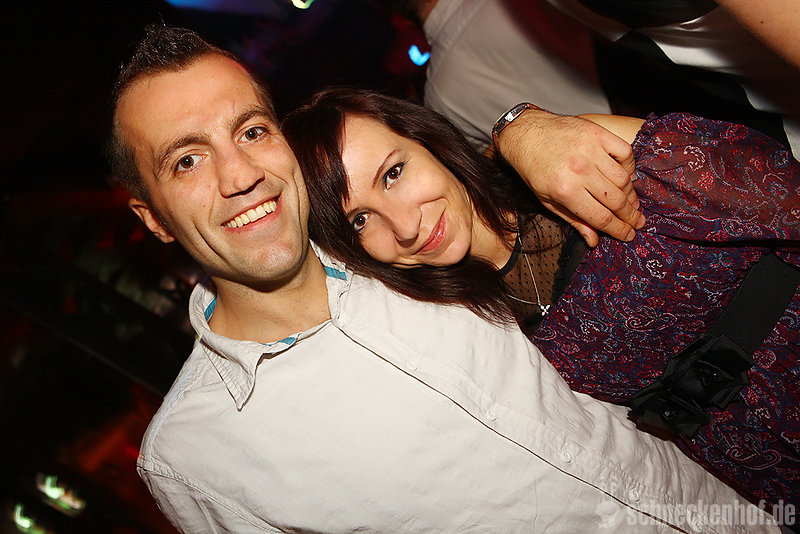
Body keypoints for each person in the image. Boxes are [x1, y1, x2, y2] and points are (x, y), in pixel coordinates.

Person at [109, 25, 779, 533]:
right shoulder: (197, 454)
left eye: (252, 131)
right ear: (152, 216)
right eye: (187, 160)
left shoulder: (402, 264)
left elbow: (454, 190)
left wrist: (519, 128)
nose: (239, 175)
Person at [280, 87, 800, 514]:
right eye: (360, 220)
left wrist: (516, 125)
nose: (405, 225)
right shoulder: (454, 326)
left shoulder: (572, 163)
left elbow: (779, 193)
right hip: (759, 470)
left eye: (393, 173)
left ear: (429, 142)